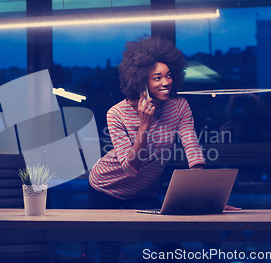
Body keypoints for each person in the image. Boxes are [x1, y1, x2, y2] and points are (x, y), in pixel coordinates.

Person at [88, 35, 205, 263]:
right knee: (110, 247)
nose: (166, 82)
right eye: (157, 77)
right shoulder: (116, 114)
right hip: (105, 186)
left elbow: (192, 148)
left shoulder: (179, 107)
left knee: (169, 245)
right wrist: (144, 126)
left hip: (143, 192)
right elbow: (131, 168)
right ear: (141, 81)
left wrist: (204, 195)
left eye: (169, 75)